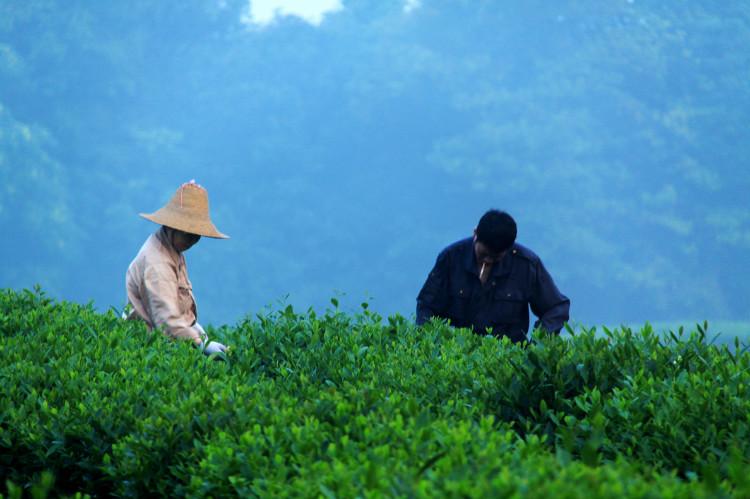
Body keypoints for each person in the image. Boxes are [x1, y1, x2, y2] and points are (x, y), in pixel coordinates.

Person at [416, 209, 570, 343]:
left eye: (496, 257)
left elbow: (556, 308)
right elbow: (427, 305)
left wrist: (537, 346)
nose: (488, 261)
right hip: (456, 356)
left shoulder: (526, 265)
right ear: (475, 234)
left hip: (507, 360)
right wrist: (430, 345)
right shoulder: (451, 258)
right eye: (483, 254)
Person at [125, 180, 230, 356]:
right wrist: (202, 345)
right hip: (150, 351)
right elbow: (168, 321)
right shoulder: (157, 263)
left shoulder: (172, 251)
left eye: (197, 235)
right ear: (171, 227)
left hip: (168, 345)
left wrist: (199, 334)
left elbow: (179, 308)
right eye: (188, 234)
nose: (193, 241)